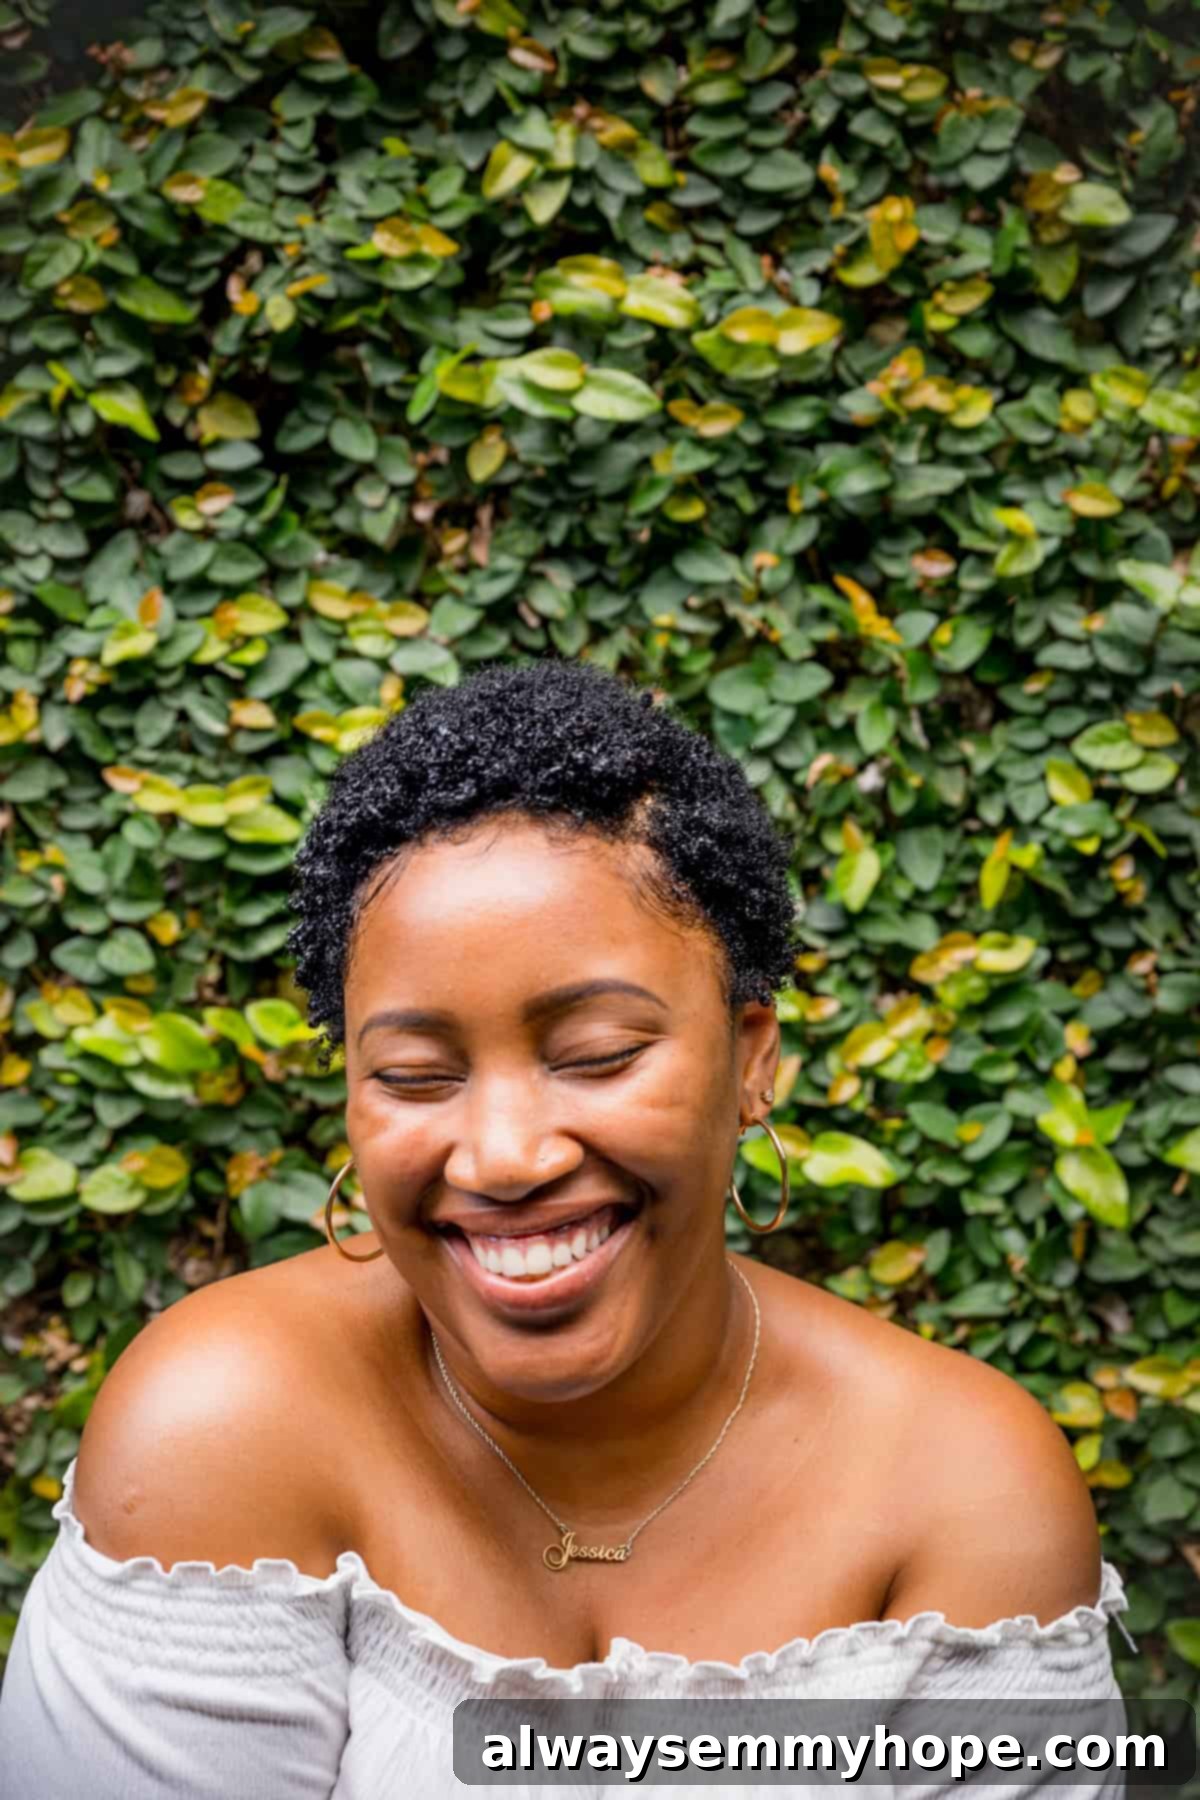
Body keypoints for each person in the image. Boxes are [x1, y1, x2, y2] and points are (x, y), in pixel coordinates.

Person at [0, 659, 1135, 1798]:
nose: (502, 1157)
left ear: (752, 1059)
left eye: (598, 1055)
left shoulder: (961, 1488)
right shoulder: (224, 1430)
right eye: (413, 1074)